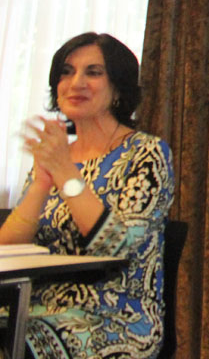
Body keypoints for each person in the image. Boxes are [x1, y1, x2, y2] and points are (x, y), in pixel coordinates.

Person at [0, 32, 175, 359]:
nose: (75, 82)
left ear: (118, 89)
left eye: (93, 73)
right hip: (36, 304)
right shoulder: (58, 154)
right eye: (66, 72)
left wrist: (65, 173)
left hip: (114, 315)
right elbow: (8, 249)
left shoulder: (146, 153)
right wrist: (41, 183)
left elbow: (116, 248)